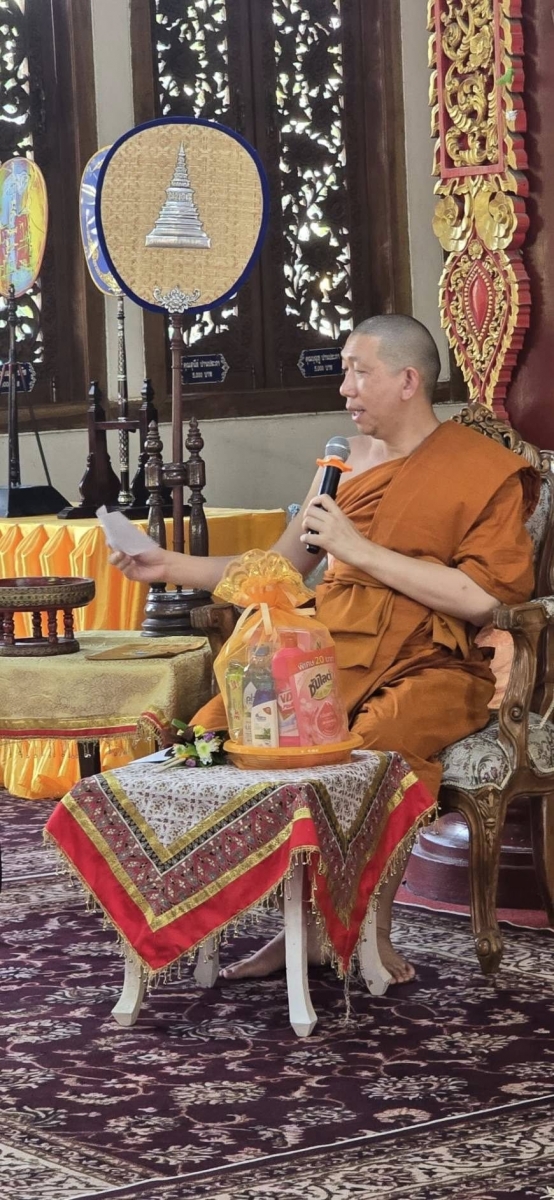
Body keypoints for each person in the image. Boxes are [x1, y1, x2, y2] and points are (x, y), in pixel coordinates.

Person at [110, 314, 538, 985]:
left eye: (358, 372)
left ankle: (367, 931)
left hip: (432, 660)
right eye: (344, 372)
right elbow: (281, 569)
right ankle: (295, 931)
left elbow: (485, 598)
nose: (345, 388)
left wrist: (357, 550)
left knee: (376, 743)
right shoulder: (340, 465)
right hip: (326, 648)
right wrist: (169, 565)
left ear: (408, 380)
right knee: (223, 728)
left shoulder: (483, 471)